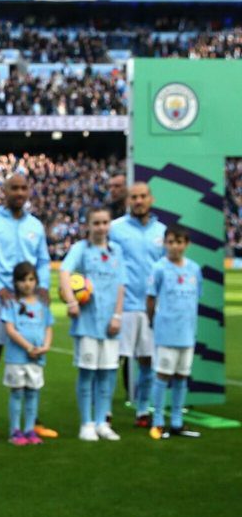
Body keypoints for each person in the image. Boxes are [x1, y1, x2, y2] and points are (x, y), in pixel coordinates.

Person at [0, 173, 54, 440]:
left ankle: (31, 421)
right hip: (1, 300)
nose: (19, 193)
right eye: (14, 188)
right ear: (4, 191)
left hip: (30, 301)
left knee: (32, 357)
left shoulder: (35, 226)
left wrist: (41, 284)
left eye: (23, 188)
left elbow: (43, 259)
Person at [60, 207, 126, 441]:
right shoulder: (80, 249)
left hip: (111, 324)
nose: (101, 227)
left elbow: (121, 285)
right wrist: (71, 301)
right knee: (87, 374)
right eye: (96, 223)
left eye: (105, 222)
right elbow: (64, 272)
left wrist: (118, 316)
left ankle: (102, 423)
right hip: (87, 323)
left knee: (108, 375)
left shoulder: (116, 250)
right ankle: (86, 423)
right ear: (88, 225)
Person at [110, 181, 166, 427]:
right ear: (128, 201)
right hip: (123, 306)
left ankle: (143, 410)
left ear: (151, 199)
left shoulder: (162, 232)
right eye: (134, 197)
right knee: (113, 362)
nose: (139, 201)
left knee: (147, 362)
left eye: (143, 196)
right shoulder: (115, 229)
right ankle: (104, 412)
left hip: (152, 307)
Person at [146, 225, 203, 439]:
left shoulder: (194, 269)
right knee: (162, 375)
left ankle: (177, 421)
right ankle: (158, 420)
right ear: (164, 243)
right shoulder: (159, 268)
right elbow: (151, 298)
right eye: (170, 242)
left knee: (181, 377)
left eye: (179, 242)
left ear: (186, 244)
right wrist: (153, 320)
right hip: (166, 332)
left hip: (187, 332)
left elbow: (196, 297)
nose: (175, 246)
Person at [1, 262, 54, 446]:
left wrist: (45, 346)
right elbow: (10, 329)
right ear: (15, 282)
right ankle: (15, 430)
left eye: (31, 279)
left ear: (36, 281)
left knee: (33, 393)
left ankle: (30, 429)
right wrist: (28, 347)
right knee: (17, 393)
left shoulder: (42, 304)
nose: (27, 283)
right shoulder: (11, 304)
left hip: (37, 358)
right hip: (17, 358)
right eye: (22, 279)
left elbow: (48, 327)